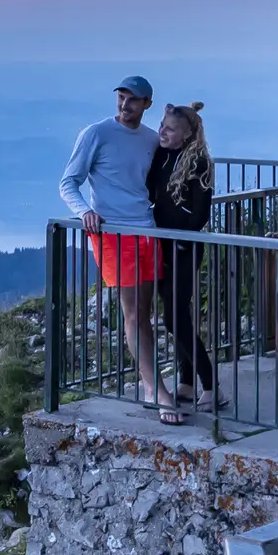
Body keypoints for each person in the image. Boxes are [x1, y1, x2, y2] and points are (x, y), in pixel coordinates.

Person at [58, 75, 179, 422]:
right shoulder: (95, 134)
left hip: (147, 231)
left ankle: (150, 383)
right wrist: (85, 212)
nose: (125, 105)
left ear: (147, 105)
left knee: (146, 314)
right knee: (134, 314)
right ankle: (156, 388)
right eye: (122, 98)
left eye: (133, 100)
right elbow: (68, 182)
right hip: (113, 235)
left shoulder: (151, 140)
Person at [149, 102, 218, 411]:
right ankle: (187, 381)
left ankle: (211, 384)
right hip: (163, 243)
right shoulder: (161, 156)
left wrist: (182, 237)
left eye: (170, 128)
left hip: (184, 247)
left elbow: (201, 210)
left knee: (175, 317)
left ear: (187, 134)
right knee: (176, 314)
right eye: (162, 125)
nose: (162, 131)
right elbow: (153, 194)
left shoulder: (199, 163)